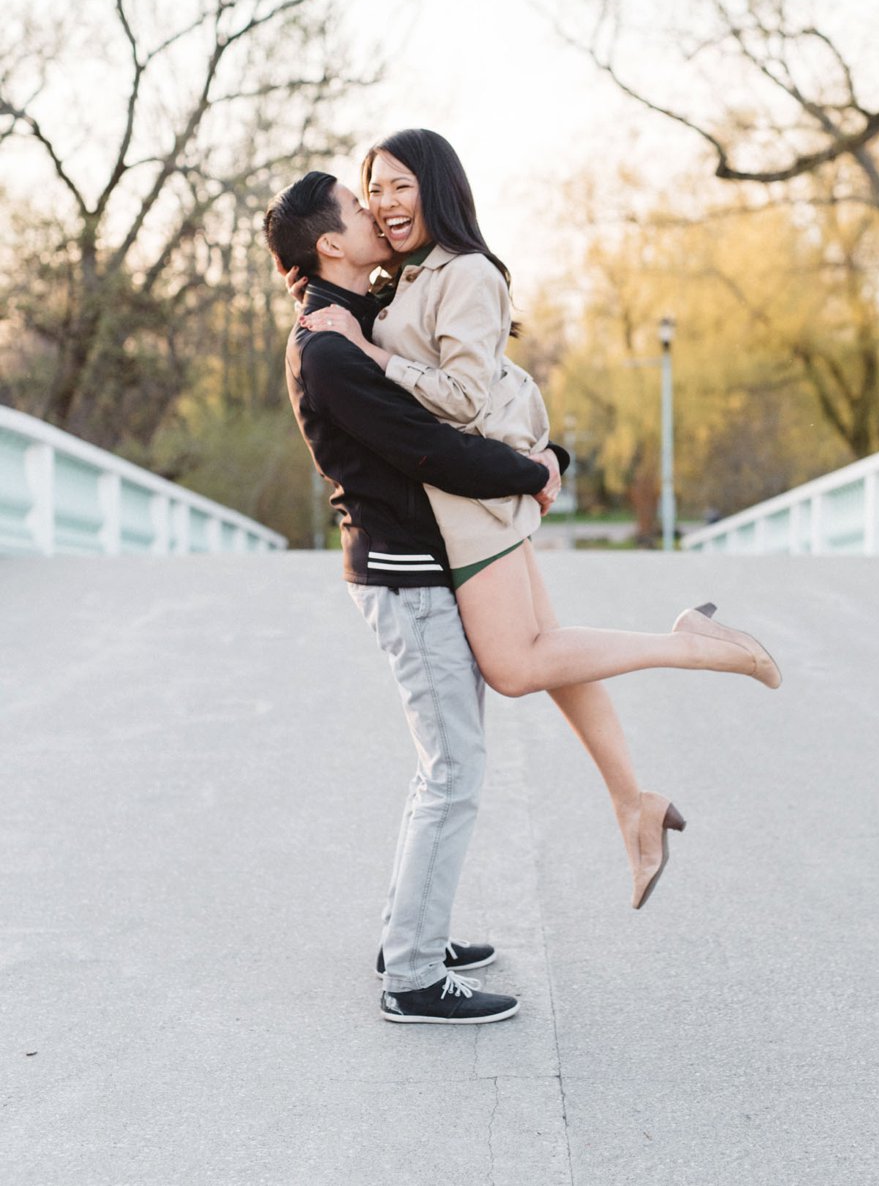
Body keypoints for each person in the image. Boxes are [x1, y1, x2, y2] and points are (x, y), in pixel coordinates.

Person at [296, 129, 782, 913]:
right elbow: (500, 379)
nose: (383, 205)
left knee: (519, 667)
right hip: (470, 499)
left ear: (438, 187)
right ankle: (634, 804)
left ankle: (692, 644)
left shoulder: (469, 273)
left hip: (475, 504)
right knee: (553, 657)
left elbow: (462, 394)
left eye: (397, 187)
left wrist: (373, 353)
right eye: (371, 191)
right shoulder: (408, 279)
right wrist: (545, 451)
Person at [263, 170, 565, 1026]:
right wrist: (540, 471)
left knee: (444, 767)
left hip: (420, 568)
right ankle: (412, 977)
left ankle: (411, 935)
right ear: (329, 243)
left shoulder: (357, 322)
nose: (377, 213)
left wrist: (544, 457)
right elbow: (428, 448)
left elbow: (454, 406)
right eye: (359, 209)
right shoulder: (326, 347)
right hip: (404, 572)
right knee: (454, 771)